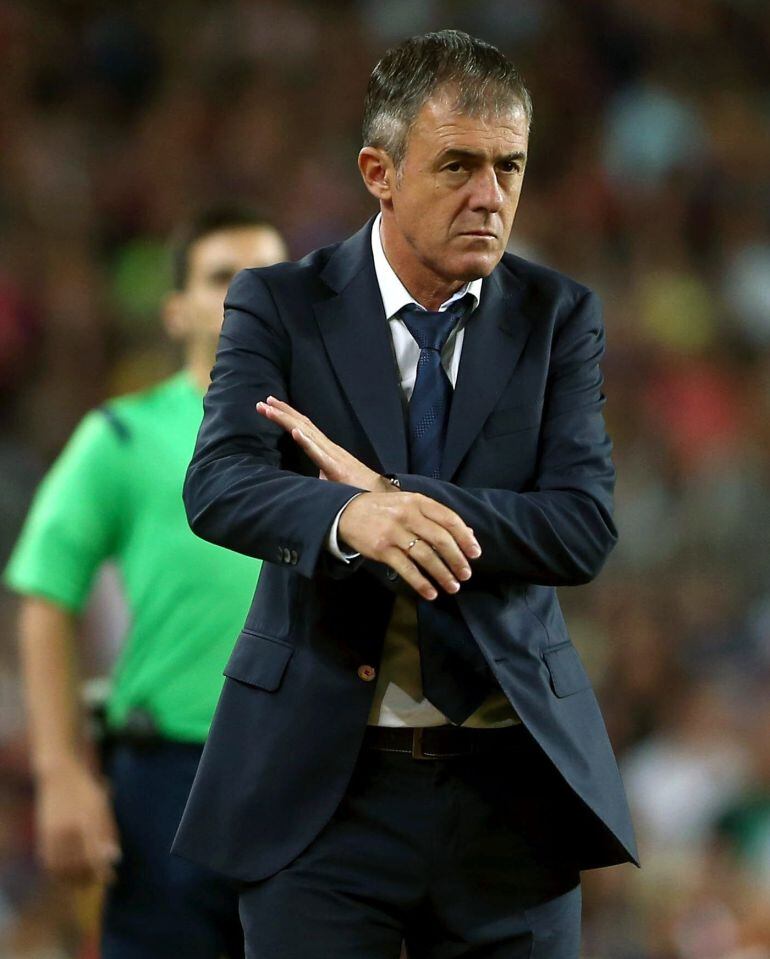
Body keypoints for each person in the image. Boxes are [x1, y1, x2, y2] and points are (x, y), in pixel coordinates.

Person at [173, 31, 638, 958]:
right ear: (379, 171)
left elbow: (584, 528)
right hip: (322, 797)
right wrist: (348, 518)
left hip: (510, 799)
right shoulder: (279, 304)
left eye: (510, 166)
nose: (490, 196)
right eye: (458, 165)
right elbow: (220, 483)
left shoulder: (560, 316)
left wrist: (391, 493)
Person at [3, 207, 287, 959]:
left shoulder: (337, 441)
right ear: (177, 310)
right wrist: (60, 769)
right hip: (167, 782)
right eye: (224, 277)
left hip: (308, 769)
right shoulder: (121, 438)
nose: (251, 293)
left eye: (270, 276)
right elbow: (44, 593)